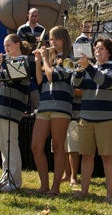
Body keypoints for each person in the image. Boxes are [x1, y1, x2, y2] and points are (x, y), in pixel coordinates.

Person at [71, 38, 112, 204]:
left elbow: (105, 82)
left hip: (107, 119)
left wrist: (88, 68)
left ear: (109, 51)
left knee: (107, 156)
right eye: (96, 48)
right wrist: (79, 70)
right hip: (86, 117)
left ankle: (110, 195)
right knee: (86, 156)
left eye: (101, 48)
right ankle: (84, 191)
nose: (97, 51)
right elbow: (75, 83)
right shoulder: (88, 68)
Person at [31, 26, 74, 195]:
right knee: (36, 145)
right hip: (45, 104)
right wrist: (37, 62)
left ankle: (55, 187)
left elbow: (52, 76)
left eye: (55, 39)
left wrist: (45, 59)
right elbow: (41, 80)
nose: (52, 42)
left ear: (64, 39)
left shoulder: (70, 59)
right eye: (50, 39)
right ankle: (44, 185)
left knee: (57, 146)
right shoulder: (51, 57)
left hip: (61, 105)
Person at [0, 34, 32, 192]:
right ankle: (6, 174)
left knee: (11, 143)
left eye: (8, 45)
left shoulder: (22, 61)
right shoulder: (10, 61)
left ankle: (15, 180)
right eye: (4, 46)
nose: (5, 49)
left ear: (17, 45)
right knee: (4, 143)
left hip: (13, 106)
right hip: (3, 105)